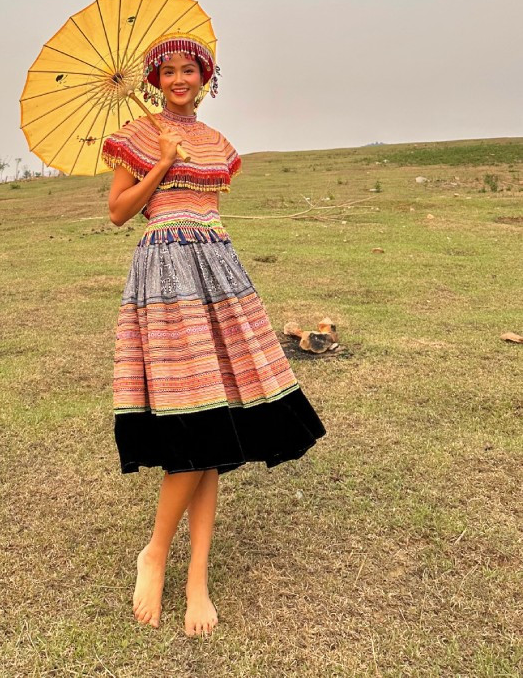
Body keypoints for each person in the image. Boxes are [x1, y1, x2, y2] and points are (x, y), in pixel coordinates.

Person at [101, 33, 326, 638]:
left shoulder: (219, 143)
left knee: (216, 425)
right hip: (165, 272)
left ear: (206, 78)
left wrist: (183, 160)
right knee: (192, 416)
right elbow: (118, 212)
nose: (180, 79)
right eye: (169, 71)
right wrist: (162, 162)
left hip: (218, 271)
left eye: (190, 70)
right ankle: (155, 553)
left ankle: (196, 576)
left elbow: (209, 206)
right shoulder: (137, 135)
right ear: (155, 80)